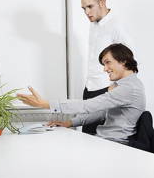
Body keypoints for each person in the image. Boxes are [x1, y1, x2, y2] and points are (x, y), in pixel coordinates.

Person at [17, 44, 146, 145]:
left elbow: (89, 105)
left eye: (107, 62)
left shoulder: (130, 88)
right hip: (105, 140)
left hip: (114, 144)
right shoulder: (123, 86)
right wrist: (70, 123)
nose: (105, 69)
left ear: (123, 61)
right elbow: (101, 112)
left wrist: (46, 104)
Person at [79, 0, 134, 135]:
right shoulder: (93, 24)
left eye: (90, 7)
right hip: (90, 88)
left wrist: (116, 86)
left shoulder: (116, 25)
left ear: (102, 3)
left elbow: (131, 59)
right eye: (83, 8)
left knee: (101, 139)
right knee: (87, 136)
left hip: (106, 90)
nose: (86, 12)